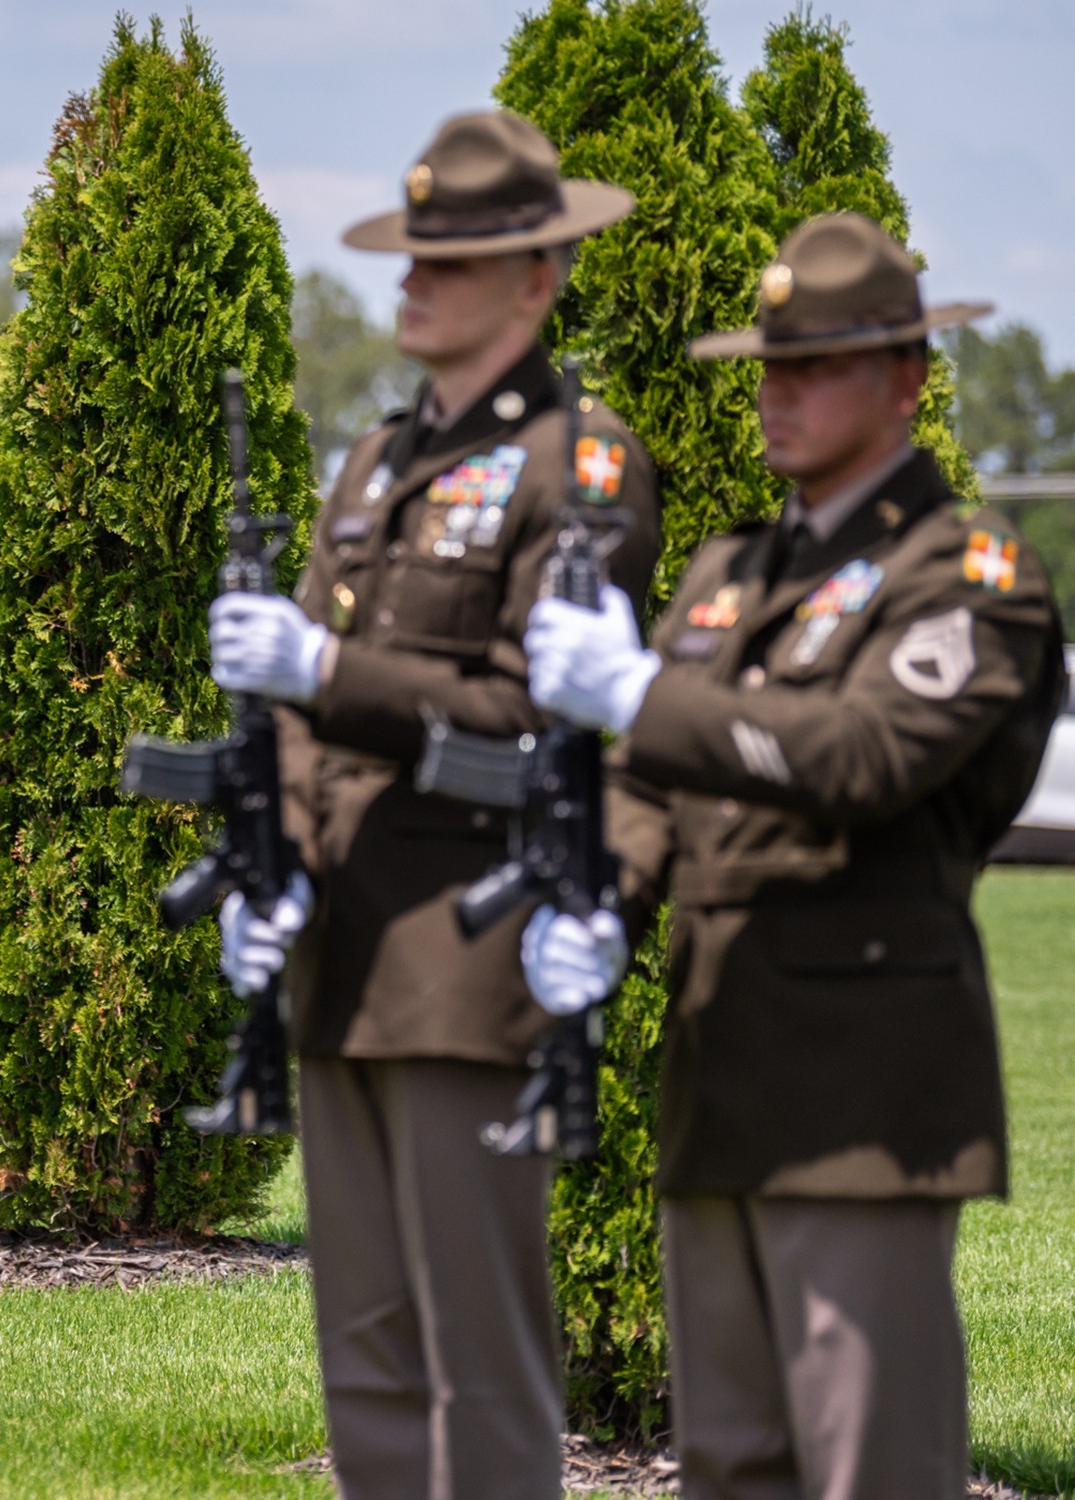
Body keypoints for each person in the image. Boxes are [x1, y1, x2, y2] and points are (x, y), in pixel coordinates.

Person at [522, 212, 1062, 1499]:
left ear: (908, 381)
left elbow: (865, 759)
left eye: (816, 366)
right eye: (770, 366)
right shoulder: (729, 573)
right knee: (731, 1465)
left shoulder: (965, 573)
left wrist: (640, 699)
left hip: (864, 1089)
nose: (779, 394)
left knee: (868, 1462)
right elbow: (652, 779)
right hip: (723, 1077)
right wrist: (603, 886)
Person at [208, 110, 661, 1499]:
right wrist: (270, 858)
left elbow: (542, 715)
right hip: (340, 949)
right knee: (364, 1352)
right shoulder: (372, 464)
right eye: (408, 258)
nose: (409, 284)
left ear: (533, 281)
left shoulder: (575, 469)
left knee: (478, 1352)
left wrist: (334, 668)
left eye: (445, 264)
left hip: (463, 952)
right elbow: (286, 707)